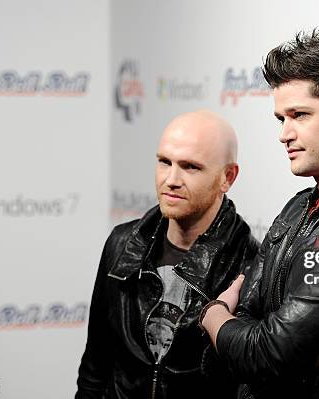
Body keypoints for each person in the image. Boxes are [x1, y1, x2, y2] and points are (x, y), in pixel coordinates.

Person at [200, 29, 319, 398]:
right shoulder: (296, 207)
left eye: (300, 115)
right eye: (281, 119)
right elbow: (253, 337)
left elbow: (265, 352)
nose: (284, 134)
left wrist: (212, 314)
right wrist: (298, 353)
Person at [75, 110, 259, 399]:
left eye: (190, 167)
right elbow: (96, 364)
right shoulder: (121, 243)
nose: (171, 179)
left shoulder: (250, 264)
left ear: (227, 177)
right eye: (164, 162)